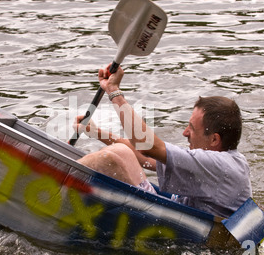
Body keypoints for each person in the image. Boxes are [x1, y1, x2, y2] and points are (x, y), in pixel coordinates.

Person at [74, 63, 252, 218]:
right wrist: (97, 133)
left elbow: (145, 145)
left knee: (109, 159)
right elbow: (148, 158)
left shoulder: (221, 166)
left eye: (192, 128)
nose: (185, 132)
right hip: (174, 213)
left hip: (183, 233)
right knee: (122, 152)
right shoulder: (221, 160)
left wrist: (113, 90)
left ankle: (54, 187)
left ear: (214, 139)